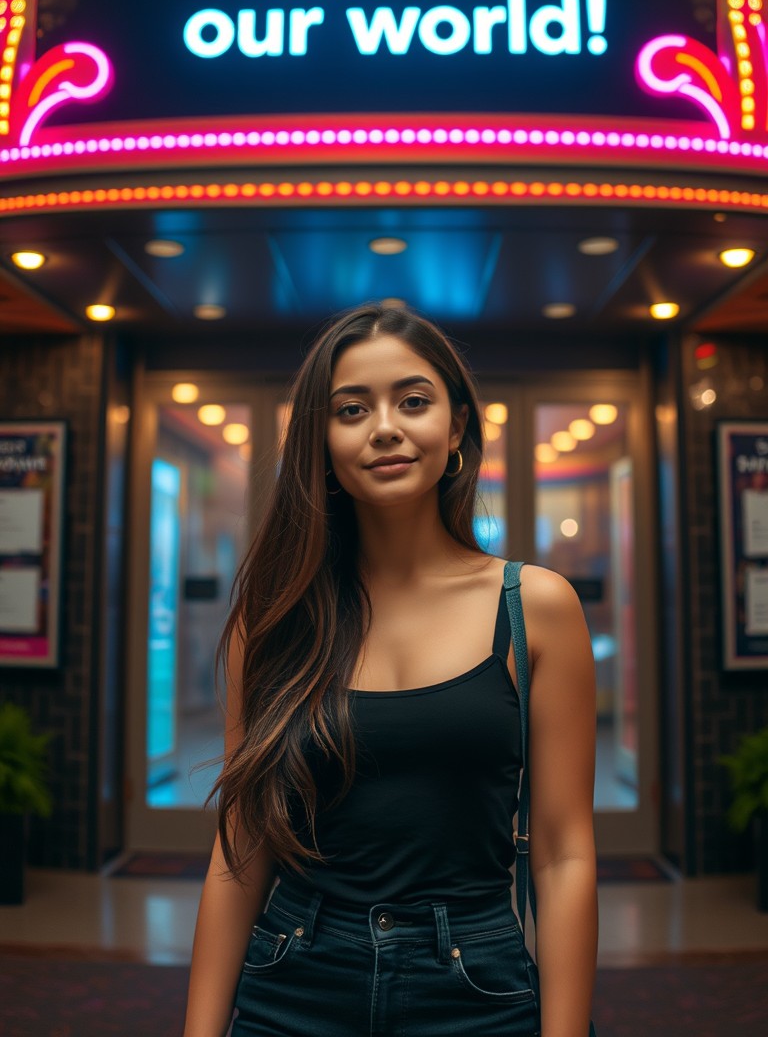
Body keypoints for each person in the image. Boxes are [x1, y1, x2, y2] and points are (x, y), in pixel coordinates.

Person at [182, 302, 598, 1037]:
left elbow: (563, 854)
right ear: (322, 440)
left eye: (413, 400)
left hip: (475, 985)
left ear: (457, 426)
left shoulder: (535, 606)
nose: (385, 426)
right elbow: (241, 846)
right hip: (294, 978)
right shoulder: (276, 618)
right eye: (351, 408)